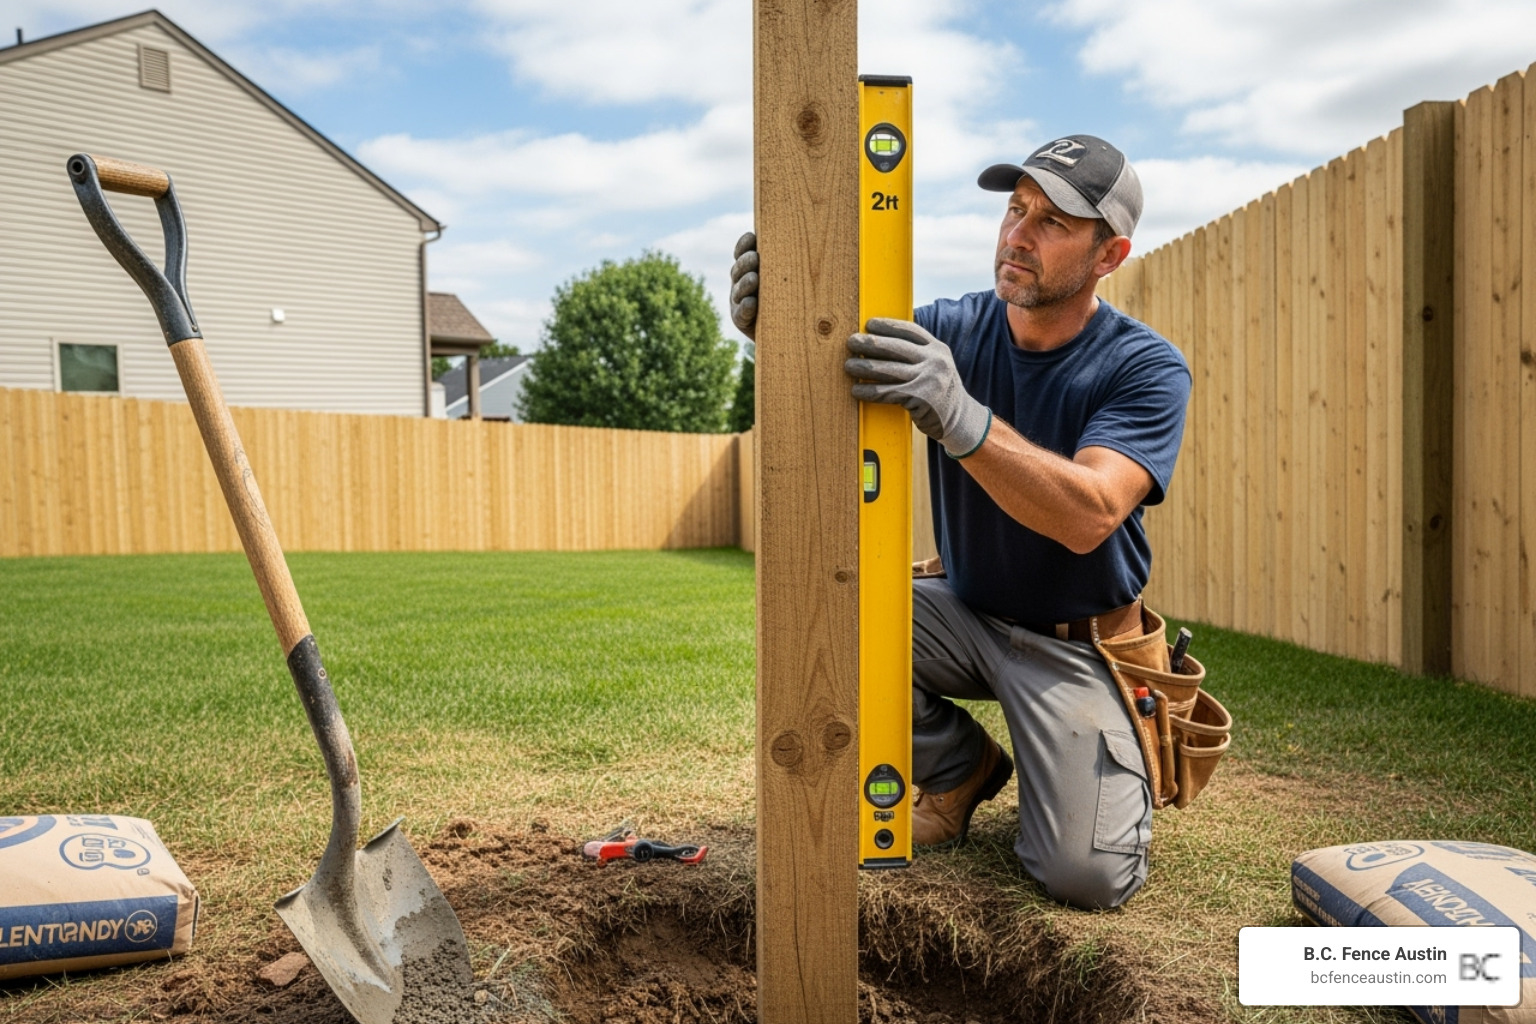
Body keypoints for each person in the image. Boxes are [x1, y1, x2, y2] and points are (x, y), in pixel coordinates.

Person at [728, 135, 1191, 910]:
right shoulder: (955, 329)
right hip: (966, 615)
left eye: (1052, 223)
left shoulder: (1143, 366)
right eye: (1016, 209)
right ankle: (955, 768)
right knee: (827, 604)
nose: (1018, 235)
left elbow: (1091, 513)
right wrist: (776, 326)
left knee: (1086, 879)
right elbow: (835, 343)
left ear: (1109, 255)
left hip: (1077, 650)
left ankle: (1082, 777)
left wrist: (962, 418)